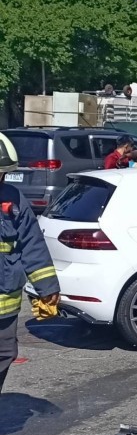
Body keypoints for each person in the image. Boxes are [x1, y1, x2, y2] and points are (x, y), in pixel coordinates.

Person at [0, 132, 60, 392]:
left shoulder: (12, 199)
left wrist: (47, 289)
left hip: (5, 306)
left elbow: (31, 243)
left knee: (5, 353)